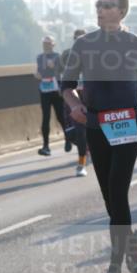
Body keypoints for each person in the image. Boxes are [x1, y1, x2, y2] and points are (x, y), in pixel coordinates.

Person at [62, 0, 137, 273]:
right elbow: (66, 85)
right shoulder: (83, 45)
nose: (100, 9)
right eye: (98, 4)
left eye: (107, 5)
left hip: (127, 124)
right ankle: (130, 239)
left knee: (118, 193)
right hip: (96, 125)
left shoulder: (136, 44)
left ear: (121, 11)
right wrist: (75, 106)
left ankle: (114, 271)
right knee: (110, 198)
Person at [59, 29, 90, 176]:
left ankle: (81, 163)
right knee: (73, 134)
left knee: (85, 132)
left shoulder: (95, 55)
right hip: (73, 97)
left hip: (90, 96)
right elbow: (60, 73)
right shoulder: (67, 55)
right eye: (77, 38)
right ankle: (86, 151)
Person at [36, 35, 69, 155]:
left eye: (48, 44)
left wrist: (54, 66)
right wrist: (38, 75)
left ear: (53, 45)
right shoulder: (39, 57)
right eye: (44, 44)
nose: (46, 46)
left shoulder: (57, 56)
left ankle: (68, 138)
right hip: (44, 90)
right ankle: (46, 146)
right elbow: (40, 71)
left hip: (56, 90)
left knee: (60, 116)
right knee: (46, 117)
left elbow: (63, 70)